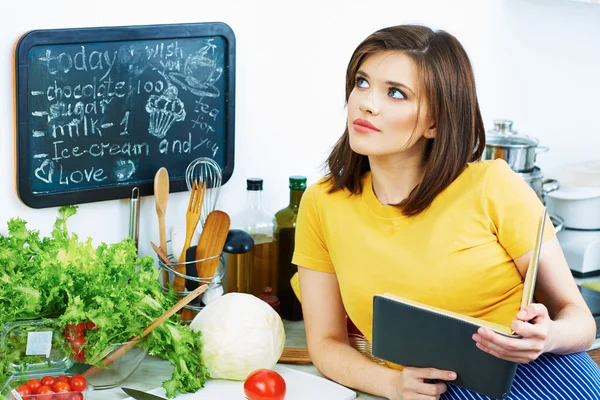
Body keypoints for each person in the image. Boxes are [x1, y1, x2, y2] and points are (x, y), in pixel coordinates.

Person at [292, 25, 600, 400]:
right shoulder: (322, 203)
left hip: (547, 372)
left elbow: (579, 321)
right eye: (361, 82)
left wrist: (547, 336)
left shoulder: (492, 186)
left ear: (435, 122)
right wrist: (391, 384)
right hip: (434, 391)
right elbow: (325, 343)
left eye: (395, 93)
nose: (367, 103)